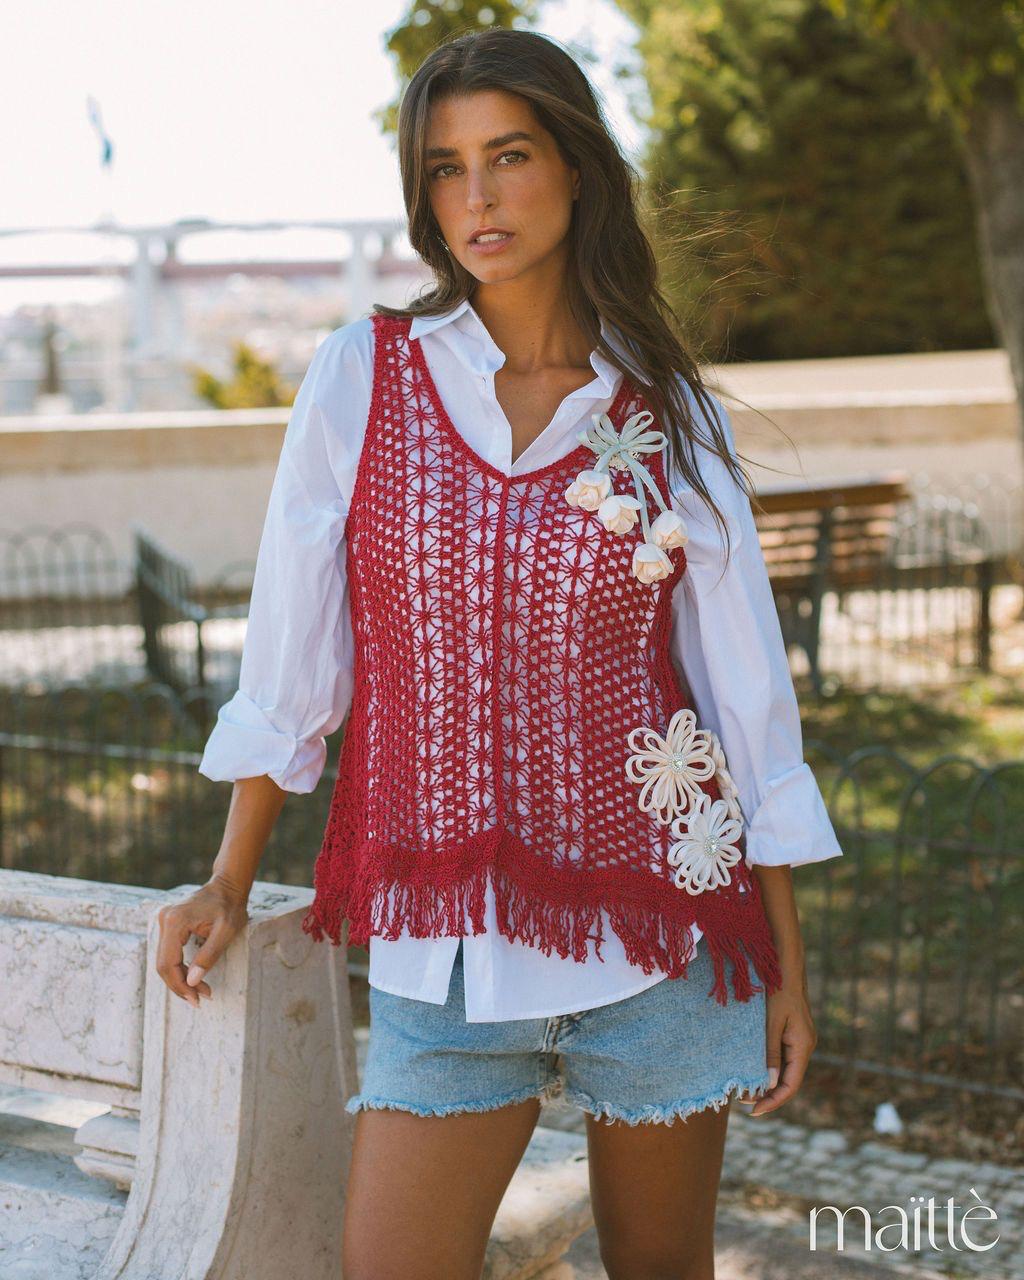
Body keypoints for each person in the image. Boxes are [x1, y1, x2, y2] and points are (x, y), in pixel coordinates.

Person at [155, 28, 843, 1280]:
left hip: (664, 947)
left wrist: (785, 968)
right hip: (447, 965)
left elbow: (747, 701)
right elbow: (294, 654)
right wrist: (227, 876)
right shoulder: (363, 376)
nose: (475, 196)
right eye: (445, 167)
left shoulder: (667, 411)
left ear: (575, 167)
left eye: (509, 156)